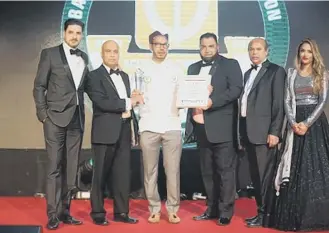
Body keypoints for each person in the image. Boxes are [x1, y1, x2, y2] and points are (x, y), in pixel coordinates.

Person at [264, 38, 329, 231]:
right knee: (294, 168)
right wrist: (293, 123)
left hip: (315, 124)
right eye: (302, 51)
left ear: (314, 54)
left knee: (317, 168)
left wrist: (307, 123)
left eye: (309, 51)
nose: (305, 55)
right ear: (298, 53)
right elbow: (286, 100)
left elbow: (322, 101)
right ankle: (295, 215)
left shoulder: (322, 74)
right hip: (295, 123)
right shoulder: (291, 74)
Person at [33, 18, 88, 230]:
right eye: (71, 32)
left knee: (71, 168)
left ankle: (66, 211)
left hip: (76, 118)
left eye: (78, 33)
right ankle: (52, 215)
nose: (75, 36)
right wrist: (43, 114)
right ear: (64, 33)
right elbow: (38, 86)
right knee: (54, 168)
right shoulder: (50, 54)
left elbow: (83, 88)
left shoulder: (83, 57)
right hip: (54, 118)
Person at [185, 32, 243, 226]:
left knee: (225, 172)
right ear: (199, 47)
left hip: (222, 128)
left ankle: (225, 212)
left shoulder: (230, 64)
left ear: (217, 46)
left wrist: (212, 101)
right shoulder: (192, 68)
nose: (207, 50)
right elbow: (187, 95)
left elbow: (235, 89)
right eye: (203, 46)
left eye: (210, 46)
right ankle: (211, 209)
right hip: (200, 128)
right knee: (207, 172)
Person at [85, 40, 141, 225]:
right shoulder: (93, 76)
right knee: (100, 174)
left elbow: (128, 105)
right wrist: (129, 102)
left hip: (124, 130)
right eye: (108, 51)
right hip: (104, 132)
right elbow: (102, 102)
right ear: (101, 54)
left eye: (115, 51)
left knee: (122, 174)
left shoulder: (125, 76)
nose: (112, 54)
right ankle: (98, 213)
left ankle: (122, 212)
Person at [134, 31, 183, 224]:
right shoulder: (140, 69)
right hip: (148, 125)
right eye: (157, 44)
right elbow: (135, 97)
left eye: (165, 44)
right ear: (150, 46)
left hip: (172, 125)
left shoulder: (177, 69)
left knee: (173, 171)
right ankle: (154, 208)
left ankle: (172, 209)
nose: (161, 47)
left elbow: (184, 95)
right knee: (150, 171)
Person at [238, 38, 286, 227]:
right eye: (251, 49)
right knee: (256, 177)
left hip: (265, 134)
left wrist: (275, 132)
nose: (254, 52)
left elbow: (278, 105)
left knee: (266, 177)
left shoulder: (275, 71)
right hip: (249, 133)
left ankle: (267, 215)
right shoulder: (247, 73)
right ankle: (260, 212)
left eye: (258, 49)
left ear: (267, 52)